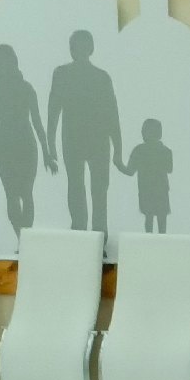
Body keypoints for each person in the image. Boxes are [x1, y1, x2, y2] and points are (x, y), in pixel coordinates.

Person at [49, 30, 124, 233]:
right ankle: (81, 230)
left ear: (90, 49)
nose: (78, 51)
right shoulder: (63, 74)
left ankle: (96, 234)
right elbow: (53, 109)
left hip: (95, 140)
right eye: (76, 47)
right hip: (77, 139)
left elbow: (112, 115)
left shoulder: (100, 77)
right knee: (80, 187)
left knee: (96, 190)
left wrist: (118, 149)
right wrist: (50, 142)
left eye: (81, 46)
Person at [0, 45, 44, 233]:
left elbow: (37, 121)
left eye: (6, 60)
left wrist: (46, 151)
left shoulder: (25, 87)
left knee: (26, 193)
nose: (4, 65)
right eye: (0, 61)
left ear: (13, 62)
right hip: (3, 145)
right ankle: (20, 236)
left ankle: (26, 236)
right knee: (11, 193)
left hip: (26, 143)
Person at [125, 118, 174, 233]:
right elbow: (169, 169)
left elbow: (130, 171)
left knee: (149, 218)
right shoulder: (166, 151)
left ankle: (149, 239)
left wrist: (118, 165)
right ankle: (161, 239)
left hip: (146, 190)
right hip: (161, 190)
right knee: (161, 220)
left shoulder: (139, 150)